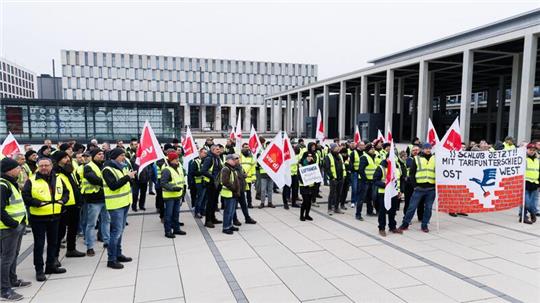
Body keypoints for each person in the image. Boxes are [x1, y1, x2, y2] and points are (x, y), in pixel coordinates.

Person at [22, 157, 69, 281]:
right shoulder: (31, 180)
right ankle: (39, 270)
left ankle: (50, 266)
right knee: (39, 244)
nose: (43, 168)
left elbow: (66, 192)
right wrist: (37, 203)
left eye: (46, 165)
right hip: (38, 218)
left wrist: (63, 201)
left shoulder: (58, 178)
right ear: (38, 166)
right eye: (41, 165)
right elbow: (25, 196)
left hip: (55, 216)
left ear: (51, 166)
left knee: (53, 242)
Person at [1, 158, 31, 301]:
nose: (20, 170)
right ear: (9, 169)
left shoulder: (10, 183)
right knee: (6, 258)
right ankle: (4, 289)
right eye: (17, 167)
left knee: (13, 255)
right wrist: (13, 224)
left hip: (16, 226)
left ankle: (12, 280)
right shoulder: (3, 185)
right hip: (8, 228)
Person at [102, 148, 135, 269]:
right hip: (115, 205)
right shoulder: (107, 169)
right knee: (115, 232)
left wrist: (130, 178)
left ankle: (118, 254)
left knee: (120, 231)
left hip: (125, 202)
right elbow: (113, 186)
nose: (123, 157)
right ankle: (111, 259)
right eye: (121, 155)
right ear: (115, 156)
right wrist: (127, 177)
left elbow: (125, 184)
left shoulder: (121, 167)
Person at [52, 151, 86, 259]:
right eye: (65, 158)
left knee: (73, 229)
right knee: (59, 232)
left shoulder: (67, 171)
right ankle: (55, 257)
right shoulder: (55, 173)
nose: (68, 159)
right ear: (58, 160)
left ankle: (71, 249)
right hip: (63, 206)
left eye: (68, 157)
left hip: (73, 205)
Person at [399, 143, 436, 233]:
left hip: (431, 189)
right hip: (419, 188)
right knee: (412, 207)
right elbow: (411, 174)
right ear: (422, 149)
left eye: (429, 148)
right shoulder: (417, 158)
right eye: (426, 148)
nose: (428, 150)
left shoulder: (435, 159)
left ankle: (424, 225)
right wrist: (415, 186)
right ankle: (405, 224)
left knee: (428, 208)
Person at [82, 149, 110, 256]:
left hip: (105, 198)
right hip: (93, 200)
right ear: (93, 156)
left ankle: (107, 242)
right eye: (99, 154)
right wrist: (108, 181)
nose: (102, 156)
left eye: (102, 154)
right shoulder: (88, 167)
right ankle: (90, 247)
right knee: (91, 224)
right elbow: (93, 179)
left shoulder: (104, 166)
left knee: (106, 221)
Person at [373, 157, 403, 236]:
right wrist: (385, 185)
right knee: (383, 211)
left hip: (394, 193)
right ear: (386, 159)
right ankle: (381, 228)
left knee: (393, 211)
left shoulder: (397, 168)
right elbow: (375, 180)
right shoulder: (381, 168)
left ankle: (392, 227)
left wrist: (400, 190)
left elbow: (400, 180)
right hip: (383, 193)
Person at [161, 152, 187, 238]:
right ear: (171, 160)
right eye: (176, 159)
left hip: (177, 195)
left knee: (176, 214)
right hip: (169, 197)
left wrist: (183, 191)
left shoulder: (179, 168)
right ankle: (168, 231)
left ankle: (176, 229)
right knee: (168, 215)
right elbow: (163, 183)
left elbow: (181, 180)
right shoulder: (166, 170)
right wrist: (173, 188)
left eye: (178, 159)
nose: (178, 160)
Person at [201, 145, 223, 228]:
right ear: (213, 150)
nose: (219, 150)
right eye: (217, 149)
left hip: (217, 183)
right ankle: (208, 221)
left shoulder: (217, 158)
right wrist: (213, 177)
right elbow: (203, 171)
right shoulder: (209, 158)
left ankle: (213, 218)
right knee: (210, 203)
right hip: (210, 184)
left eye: (219, 149)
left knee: (214, 202)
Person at [220, 154, 241, 235]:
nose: (235, 160)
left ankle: (230, 225)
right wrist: (234, 189)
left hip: (233, 193)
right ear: (228, 160)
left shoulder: (232, 168)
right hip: (229, 193)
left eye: (235, 159)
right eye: (233, 159)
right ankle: (225, 227)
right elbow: (225, 182)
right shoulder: (226, 169)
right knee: (228, 211)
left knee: (232, 211)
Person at [356, 143, 377, 220]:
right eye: (372, 149)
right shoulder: (364, 157)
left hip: (371, 181)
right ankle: (358, 214)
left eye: (374, 148)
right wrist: (365, 179)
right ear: (368, 150)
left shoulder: (372, 157)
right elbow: (361, 170)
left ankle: (369, 211)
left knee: (370, 198)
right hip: (364, 181)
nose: (373, 150)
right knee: (361, 198)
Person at [324, 143, 345, 215]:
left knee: (339, 194)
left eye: (338, 147)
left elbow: (342, 166)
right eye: (336, 147)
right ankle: (329, 208)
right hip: (333, 178)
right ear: (332, 149)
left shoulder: (340, 156)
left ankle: (336, 208)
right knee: (332, 194)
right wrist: (332, 177)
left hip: (340, 178)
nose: (338, 148)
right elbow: (327, 168)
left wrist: (343, 176)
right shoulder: (328, 157)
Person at [521, 143, 539, 224]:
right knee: (526, 203)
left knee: (533, 203)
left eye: (533, 150)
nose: (532, 151)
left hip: (535, 184)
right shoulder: (523, 159)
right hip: (525, 183)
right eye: (530, 150)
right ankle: (528, 215)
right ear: (527, 150)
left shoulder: (537, 160)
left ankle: (529, 215)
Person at [299, 152, 317, 221]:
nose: (309, 157)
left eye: (310, 156)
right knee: (305, 201)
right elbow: (299, 175)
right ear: (305, 157)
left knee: (309, 202)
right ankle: (301, 215)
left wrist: (313, 161)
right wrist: (305, 181)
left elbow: (315, 171)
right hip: (304, 186)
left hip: (311, 185)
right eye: (308, 156)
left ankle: (307, 215)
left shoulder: (312, 163)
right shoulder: (301, 164)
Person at [191, 148, 207, 218]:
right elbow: (193, 172)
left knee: (205, 198)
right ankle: (197, 212)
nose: (205, 154)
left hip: (205, 182)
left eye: (206, 153)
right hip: (199, 182)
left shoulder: (206, 161)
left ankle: (202, 211)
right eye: (204, 153)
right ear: (200, 153)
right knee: (199, 198)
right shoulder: (195, 162)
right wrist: (202, 173)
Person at [240, 144, 256, 209]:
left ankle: (249, 203)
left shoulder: (251, 157)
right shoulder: (239, 156)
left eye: (248, 147)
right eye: (245, 147)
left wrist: (253, 178)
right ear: (242, 148)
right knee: (241, 193)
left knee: (248, 193)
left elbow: (253, 168)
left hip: (248, 179)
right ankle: (242, 204)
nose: (247, 149)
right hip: (241, 178)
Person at [349, 141, 364, 208]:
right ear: (358, 146)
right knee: (354, 188)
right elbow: (351, 163)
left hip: (361, 173)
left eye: (363, 145)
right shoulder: (353, 153)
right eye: (362, 145)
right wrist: (353, 170)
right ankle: (353, 201)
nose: (363, 146)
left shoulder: (364, 153)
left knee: (359, 188)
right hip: (355, 172)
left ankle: (357, 200)